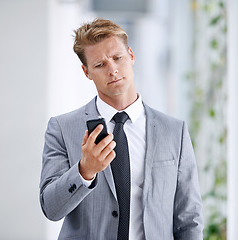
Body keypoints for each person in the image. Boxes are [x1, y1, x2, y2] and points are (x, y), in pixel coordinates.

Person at [39, 18, 203, 240]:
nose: (113, 70)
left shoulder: (174, 131)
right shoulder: (61, 128)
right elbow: (51, 208)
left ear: (131, 56)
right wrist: (84, 171)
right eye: (100, 64)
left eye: (118, 58)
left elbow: (189, 218)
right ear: (86, 71)